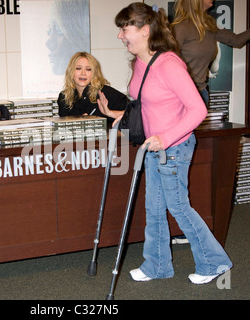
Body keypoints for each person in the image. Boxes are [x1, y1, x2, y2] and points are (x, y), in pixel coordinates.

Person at [97, 2, 233, 285]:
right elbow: (148, 104)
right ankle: (157, 265)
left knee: (179, 207)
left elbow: (198, 109)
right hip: (153, 147)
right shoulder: (140, 62)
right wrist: (121, 115)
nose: (121, 35)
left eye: (125, 29)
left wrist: (166, 138)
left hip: (173, 147)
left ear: (145, 30)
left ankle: (215, 262)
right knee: (154, 208)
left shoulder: (168, 64)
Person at [171, 0, 250, 105]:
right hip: (181, 96)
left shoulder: (209, 26)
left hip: (202, 93)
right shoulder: (180, 27)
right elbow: (168, 63)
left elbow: (236, 40)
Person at [57, 52, 128, 123]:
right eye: (78, 68)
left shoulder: (106, 93)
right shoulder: (64, 97)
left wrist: (110, 113)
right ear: (71, 71)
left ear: (94, 73)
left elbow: (135, 114)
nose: (83, 73)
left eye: (88, 69)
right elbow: (64, 128)